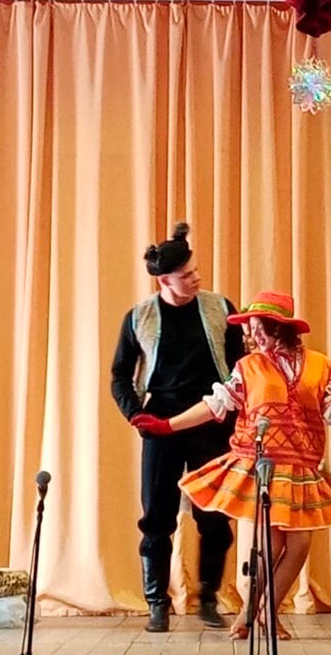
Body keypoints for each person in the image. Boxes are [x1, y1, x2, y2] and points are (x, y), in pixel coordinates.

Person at [132, 290, 331, 639]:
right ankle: (258, 615)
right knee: (272, 546)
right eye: (251, 328)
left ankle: (258, 613)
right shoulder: (248, 367)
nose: (253, 335)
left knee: (300, 545)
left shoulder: (321, 366)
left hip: (301, 467)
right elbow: (215, 405)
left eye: (260, 328)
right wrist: (168, 425)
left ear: (280, 327)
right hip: (264, 465)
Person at [111, 222, 245, 632]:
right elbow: (119, 375)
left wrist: (236, 410)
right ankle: (157, 602)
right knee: (157, 517)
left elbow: (240, 366)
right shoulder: (139, 317)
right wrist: (135, 414)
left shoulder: (221, 308)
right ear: (164, 280)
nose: (196, 278)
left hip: (213, 422)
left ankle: (208, 597)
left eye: (196, 270)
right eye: (186, 275)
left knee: (214, 516)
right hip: (160, 424)